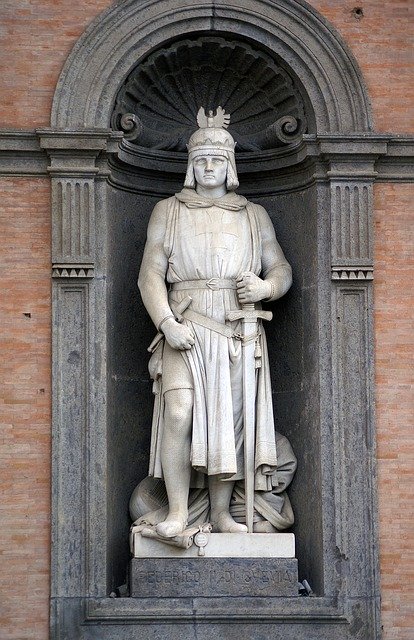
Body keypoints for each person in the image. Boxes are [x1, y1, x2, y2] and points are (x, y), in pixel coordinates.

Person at [138, 108, 293, 538]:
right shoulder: (167, 211)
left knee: (231, 422)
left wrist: (265, 289)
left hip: (236, 328)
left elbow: (280, 268)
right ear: (191, 165)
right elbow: (149, 273)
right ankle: (176, 513)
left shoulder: (252, 214)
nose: (209, 167)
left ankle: (223, 514)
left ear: (230, 166)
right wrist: (166, 322)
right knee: (178, 412)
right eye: (202, 159)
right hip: (184, 326)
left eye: (217, 160)